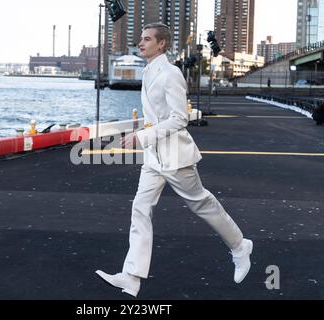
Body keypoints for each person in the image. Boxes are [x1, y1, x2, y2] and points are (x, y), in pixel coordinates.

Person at [95, 23, 253, 298]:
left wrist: (142, 138)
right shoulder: (149, 71)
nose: (140, 43)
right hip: (154, 158)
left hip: (175, 157)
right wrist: (143, 137)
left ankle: (240, 246)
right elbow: (156, 116)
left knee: (201, 203)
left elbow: (180, 118)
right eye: (141, 39)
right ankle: (132, 277)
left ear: (162, 44)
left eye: (147, 39)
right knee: (140, 209)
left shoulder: (171, 74)